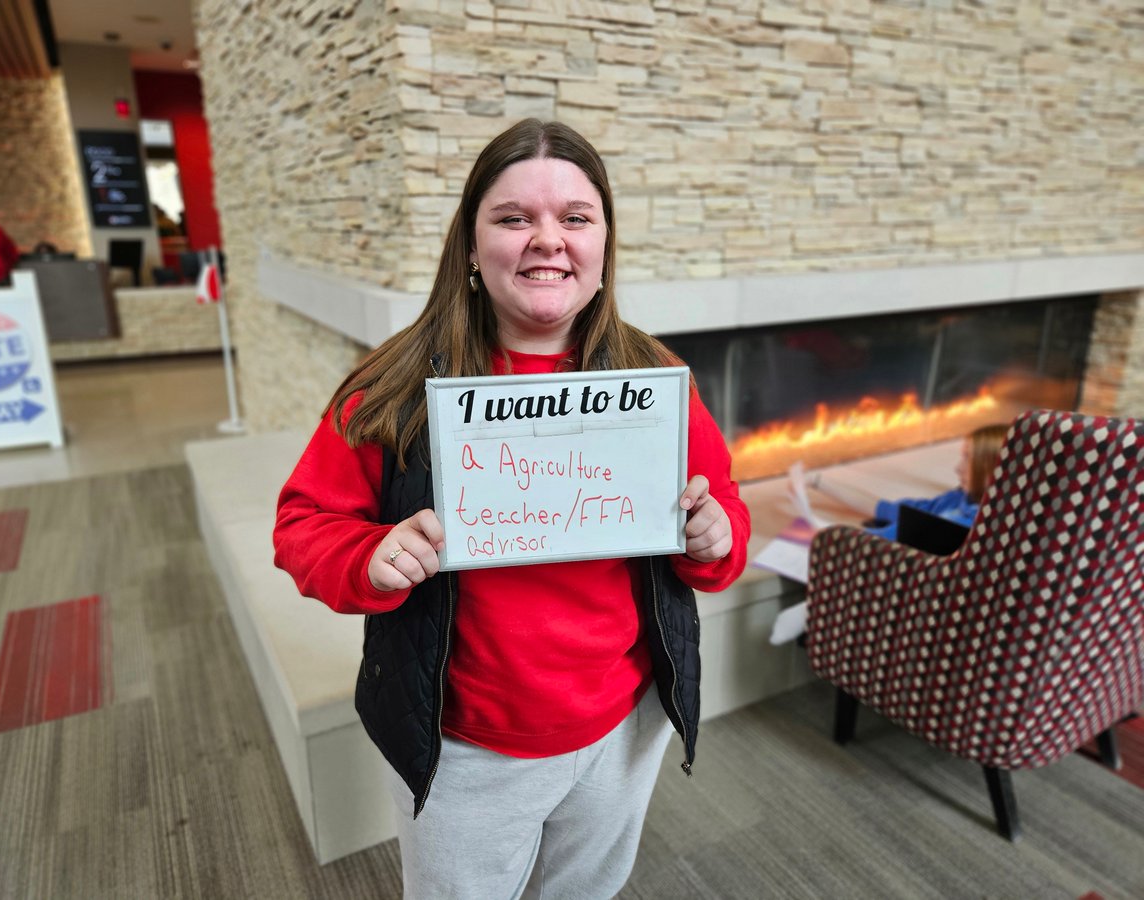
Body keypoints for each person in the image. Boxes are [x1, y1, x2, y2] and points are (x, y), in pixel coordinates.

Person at [273, 119, 751, 899]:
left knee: (586, 891)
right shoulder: (392, 389)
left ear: (603, 243)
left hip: (623, 726)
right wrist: (367, 557)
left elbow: (722, 514)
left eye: (574, 217)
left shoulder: (657, 376)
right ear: (469, 244)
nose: (547, 240)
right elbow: (301, 527)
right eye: (513, 218)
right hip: (465, 746)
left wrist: (714, 534)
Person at [804, 422, 1008, 540]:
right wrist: (817, 482)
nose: (957, 468)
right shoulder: (958, 500)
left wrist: (816, 536)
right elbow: (887, 510)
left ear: (992, 469)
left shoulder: (965, 527)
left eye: (968, 458)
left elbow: (878, 541)